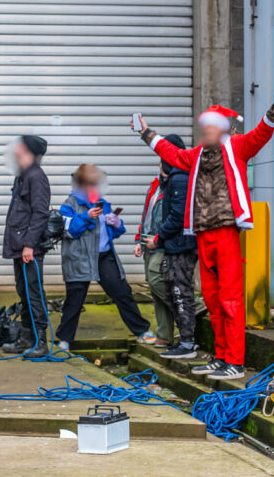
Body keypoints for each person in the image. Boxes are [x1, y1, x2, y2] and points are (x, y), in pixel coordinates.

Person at [134, 83, 274, 380]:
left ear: (222, 129)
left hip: (226, 232)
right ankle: (220, 356)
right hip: (203, 234)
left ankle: (235, 360)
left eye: (209, 126)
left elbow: (261, 134)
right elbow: (171, 151)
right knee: (213, 298)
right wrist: (146, 132)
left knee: (230, 298)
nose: (204, 131)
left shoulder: (238, 147)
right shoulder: (196, 155)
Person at [56, 164, 154, 349]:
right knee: (74, 300)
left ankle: (142, 331)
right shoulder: (69, 204)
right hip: (80, 258)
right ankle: (64, 340)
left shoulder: (102, 203)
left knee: (122, 293)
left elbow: (114, 233)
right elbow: (69, 231)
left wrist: (116, 224)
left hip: (104, 257)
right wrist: (86, 217)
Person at [148, 134, 200, 360]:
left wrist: (158, 238)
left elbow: (177, 215)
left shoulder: (180, 177)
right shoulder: (172, 178)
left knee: (180, 291)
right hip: (173, 245)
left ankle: (188, 342)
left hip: (181, 245)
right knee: (171, 288)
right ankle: (184, 340)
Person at [0, 135, 52, 357]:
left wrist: (30, 244)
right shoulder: (23, 176)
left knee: (34, 293)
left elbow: (41, 213)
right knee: (23, 292)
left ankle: (41, 342)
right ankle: (26, 337)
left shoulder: (36, 177)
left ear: (30, 152)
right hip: (19, 246)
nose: (16, 150)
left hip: (29, 248)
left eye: (20, 147)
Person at [135, 167, 174, 348]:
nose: (162, 164)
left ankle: (191, 306)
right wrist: (139, 240)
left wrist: (159, 239)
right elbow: (146, 215)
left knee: (155, 280)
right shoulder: (155, 185)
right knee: (155, 291)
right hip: (148, 240)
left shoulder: (175, 185)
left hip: (162, 243)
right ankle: (164, 335)